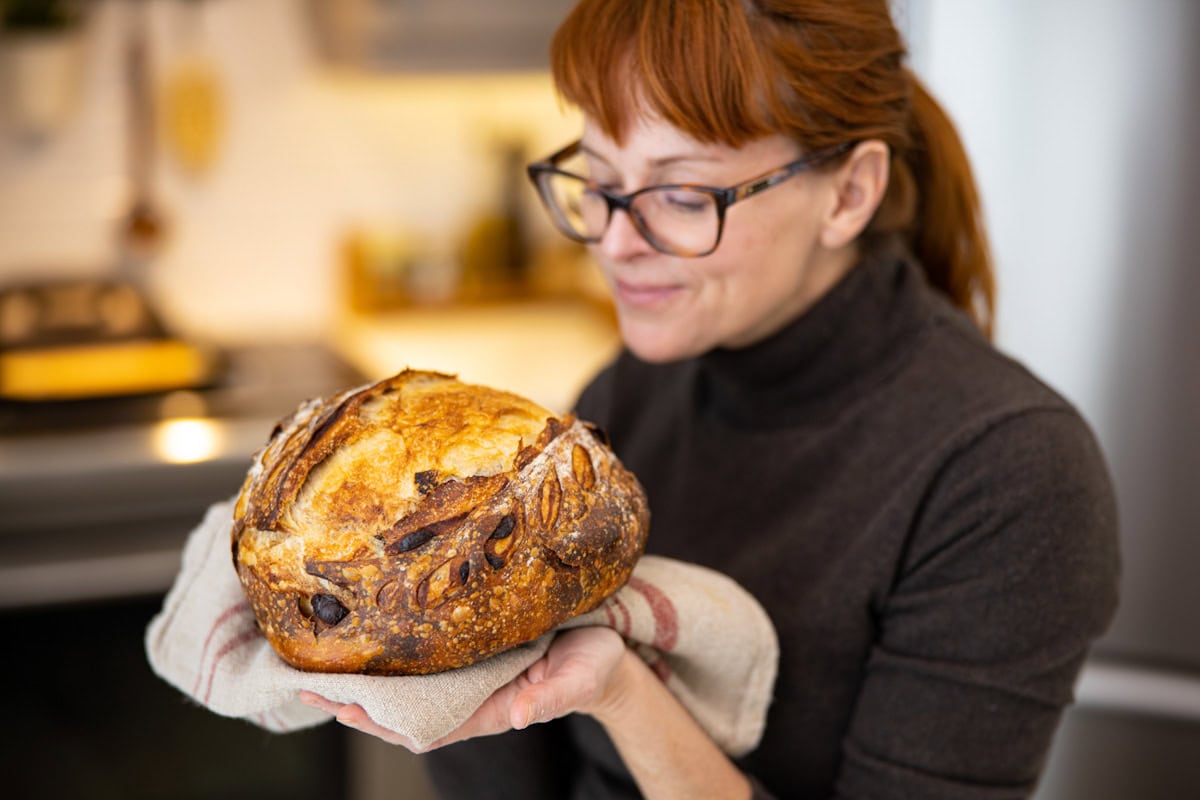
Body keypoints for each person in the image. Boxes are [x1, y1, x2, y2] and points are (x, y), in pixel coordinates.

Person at [300, 1, 1120, 797]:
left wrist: (619, 691)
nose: (617, 243)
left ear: (848, 194)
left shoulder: (1008, 476)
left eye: (684, 195)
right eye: (601, 179)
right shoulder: (627, 393)